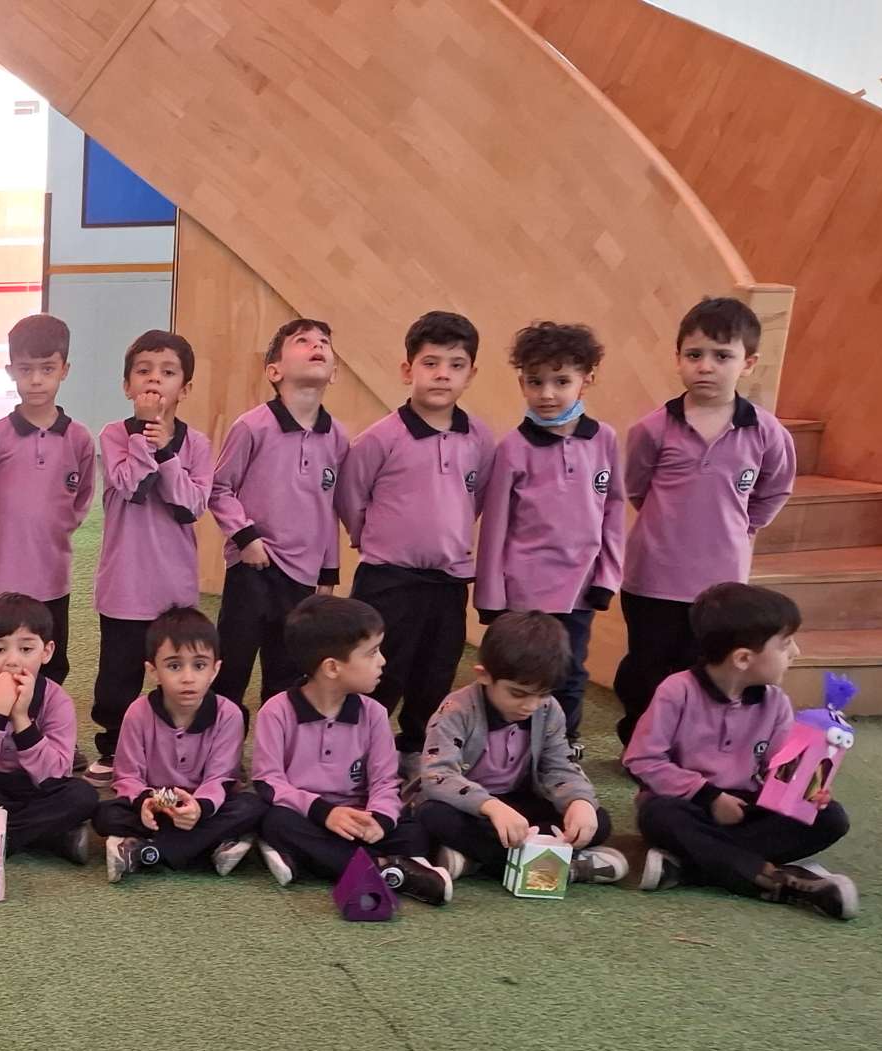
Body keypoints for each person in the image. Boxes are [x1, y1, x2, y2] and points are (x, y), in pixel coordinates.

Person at [613, 298, 796, 745]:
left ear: (748, 363)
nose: (706, 367)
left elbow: (775, 489)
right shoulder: (652, 429)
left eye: (722, 356)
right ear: (678, 359)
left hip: (722, 582)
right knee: (647, 666)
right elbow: (636, 488)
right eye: (694, 355)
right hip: (653, 578)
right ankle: (641, 743)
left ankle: (692, 746)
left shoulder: (766, 432)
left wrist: (742, 528)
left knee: (706, 671)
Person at [625, 583, 856, 920]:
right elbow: (642, 759)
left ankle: (689, 867)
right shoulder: (677, 691)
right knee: (657, 815)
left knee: (831, 818)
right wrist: (708, 796)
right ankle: (778, 880)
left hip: (747, 809)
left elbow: (777, 771)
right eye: (785, 644)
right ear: (743, 658)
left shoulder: (776, 702)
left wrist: (806, 792)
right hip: (689, 805)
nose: (796, 652)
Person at [336, 310, 496, 768]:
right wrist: (377, 540)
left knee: (435, 669)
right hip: (388, 578)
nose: (442, 374)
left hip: (448, 580)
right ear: (408, 370)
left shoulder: (480, 438)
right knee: (379, 668)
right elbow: (351, 496)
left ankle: (415, 751)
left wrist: (445, 535)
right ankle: (360, 752)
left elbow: (477, 497)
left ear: (471, 374)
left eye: (455, 364)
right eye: (430, 363)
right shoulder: (380, 438)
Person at [475, 323, 624, 760]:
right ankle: (504, 749)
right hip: (524, 591)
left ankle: (563, 745)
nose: (547, 393)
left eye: (561, 381)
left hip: (579, 590)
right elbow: (495, 527)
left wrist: (607, 577)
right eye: (535, 381)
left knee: (570, 672)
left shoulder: (605, 440)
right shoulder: (512, 448)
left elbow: (614, 512)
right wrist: (490, 597)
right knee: (516, 674)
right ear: (521, 382)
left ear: (586, 380)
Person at [251, 595, 449, 905]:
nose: (382, 661)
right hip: (308, 816)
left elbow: (385, 781)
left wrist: (379, 820)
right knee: (275, 821)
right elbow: (268, 782)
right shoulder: (276, 712)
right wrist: (325, 812)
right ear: (332, 667)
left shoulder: (374, 713)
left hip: (359, 817)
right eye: (372, 653)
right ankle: (386, 868)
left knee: (414, 829)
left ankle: (314, 860)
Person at [409, 612, 626, 884]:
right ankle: (566, 867)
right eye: (518, 693)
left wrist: (578, 801)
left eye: (542, 694)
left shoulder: (548, 710)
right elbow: (437, 776)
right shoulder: (456, 710)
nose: (530, 705)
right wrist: (490, 806)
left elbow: (560, 766)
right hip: (472, 809)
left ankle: (477, 860)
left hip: (518, 806)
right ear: (484, 675)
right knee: (433, 816)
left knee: (598, 820)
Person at [88, 330, 213, 784]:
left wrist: (167, 452)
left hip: (173, 587)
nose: (154, 380)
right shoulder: (113, 435)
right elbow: (133, 487)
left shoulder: (196, 444)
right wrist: (144, 438)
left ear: (185, 387)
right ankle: (113, 745)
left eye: (168, 372)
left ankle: (172, 748)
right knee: (118, 674)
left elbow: (189, 507)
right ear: (127, 386)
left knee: (176, 670)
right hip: (124, 584)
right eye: (143, 371)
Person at [209, 318, 349, 710]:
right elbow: (219, 488)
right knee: (232, 665)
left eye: (324, 341)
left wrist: (328, 571)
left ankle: (279, 742)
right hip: (253, 567)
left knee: (288, 674)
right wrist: (246, 538)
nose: (316, 346)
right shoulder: (252, 426)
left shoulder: (338, 436)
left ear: (334, 373)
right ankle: (222, 741)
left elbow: (330, 506)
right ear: (274, 371)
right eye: (302, 341)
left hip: (302, 576)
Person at [0, 312, 95, 689]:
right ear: (11, 371)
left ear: (65, 370)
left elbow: (82, 497)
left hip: (51, 577)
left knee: (49, 668)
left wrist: (53, 530)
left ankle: (42, 726)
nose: (36, 380)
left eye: (47, 368)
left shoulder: (79, 439)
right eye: (26, 369)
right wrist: (10, 526)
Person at [96, 607, 267, 882]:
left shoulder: (228, 714)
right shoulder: (138, 712)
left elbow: (221, 777)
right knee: (104, 814)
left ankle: (150, 850)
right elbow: (127, 776)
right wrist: (149, 802)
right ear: (153, 671)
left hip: (205, 804)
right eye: (174, 666)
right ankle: (209, 844)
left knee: (252, 807)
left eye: (199, 666)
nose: (188, 677)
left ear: (215, 670)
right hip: (157, 801)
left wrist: (198, 807)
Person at [0, 593, 100, 863]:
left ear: (46, 652)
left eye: (26, 650)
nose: (12, 661)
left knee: (83, 795)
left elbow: (55, 774)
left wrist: (20, 717)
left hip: (37, 788)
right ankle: (52, 836)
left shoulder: (57, 700)